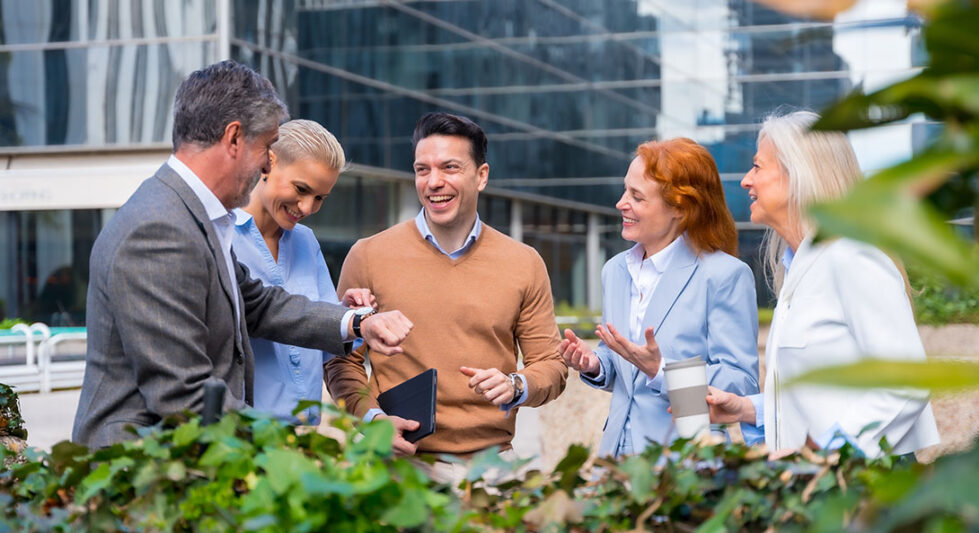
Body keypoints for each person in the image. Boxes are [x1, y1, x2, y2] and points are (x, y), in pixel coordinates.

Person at [72, 60, 412, 449]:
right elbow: (183, 396)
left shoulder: (191, 218)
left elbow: (260, 305)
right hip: (143, 475)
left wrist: (357, 324)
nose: (268, 162)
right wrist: (282, 456)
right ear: (234, 138)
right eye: (267, 148)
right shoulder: (160, 230)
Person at [324, 112, 567, 468]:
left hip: (493, 467)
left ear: (481, 176)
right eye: (422, 170)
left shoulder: (524, 262)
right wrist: (373, 421)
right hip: (400, 466)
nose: (433, 182)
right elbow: (341, 361)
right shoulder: (368, 255)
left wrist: (516, 385)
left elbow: (551, 366)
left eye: (449, 168)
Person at [705, 110, 940, 458]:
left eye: (757, 166)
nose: (746, 181)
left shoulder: (853, 257)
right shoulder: (799, 266)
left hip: (861, 485)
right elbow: (819, 397)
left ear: (798, 174)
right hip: (825, 482)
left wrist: (830, 453)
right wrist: (746, 409)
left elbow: (905, 382)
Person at [558, 137, 761, 458]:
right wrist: (595, 364)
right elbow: (626, 367)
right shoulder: (615, 271)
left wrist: (663, 370)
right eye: (625, 191)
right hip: (615, 458)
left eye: (637, 197)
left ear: (680, 208)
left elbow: (742, 384)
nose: (621, 203)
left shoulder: (724, 275)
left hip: (686, 463)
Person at [232, 119, 371, 424]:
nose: (307, 207)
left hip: (303, 439)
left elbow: (324, 341)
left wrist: (345, 312)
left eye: (320, 197)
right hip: (244, 441)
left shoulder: (306, 242)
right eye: (301, 189)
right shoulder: (223, 237)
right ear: (267, 163)